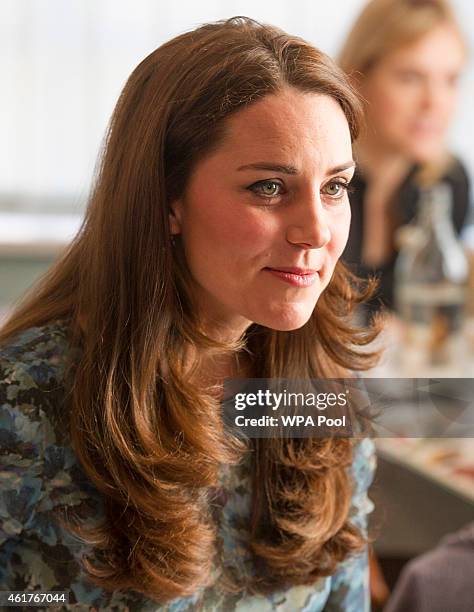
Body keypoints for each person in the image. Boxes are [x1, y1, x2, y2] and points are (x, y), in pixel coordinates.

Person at [0, 17, 379, 610]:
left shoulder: (320, 390)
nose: (316, 231)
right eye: (269, 188)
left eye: (335, 187)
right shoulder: (27, 403)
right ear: (166, 199)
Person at [339, 0, 471, 317]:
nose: (435, 102)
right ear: (357, 77)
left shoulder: (448, 181)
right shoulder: (320, 184)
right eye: (410, 77)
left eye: (450, 80)